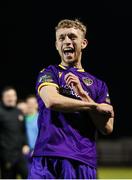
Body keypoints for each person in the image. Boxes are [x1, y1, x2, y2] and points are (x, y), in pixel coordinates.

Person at [28, 19, 114, 179]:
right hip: (47, 157)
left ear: (84, 43)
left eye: (72, 37)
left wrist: (84, 95)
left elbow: (107, 127)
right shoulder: (49, 73)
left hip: (82, 161)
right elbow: (52, 101)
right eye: (61, 38)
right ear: (56, 45)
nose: (67, 41)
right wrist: (94, 106)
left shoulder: (99, 85)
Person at [0, 86, 29, 179]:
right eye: (8, 96)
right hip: (6, 156)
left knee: (28, 175)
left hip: (20, 154)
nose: (11, 98)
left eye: (13, 95)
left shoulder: (19, 112)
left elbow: (23, 131)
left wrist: (25, 144)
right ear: (3, 98)